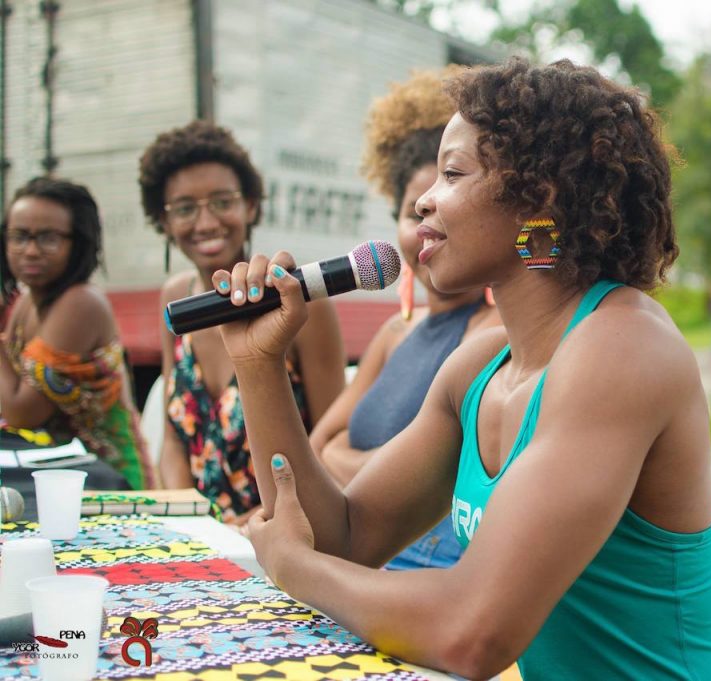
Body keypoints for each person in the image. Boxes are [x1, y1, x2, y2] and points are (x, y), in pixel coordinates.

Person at [220, 58, 711, 679]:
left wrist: (297, 569)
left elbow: (473, 636)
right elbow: (339, 536)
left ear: (538, 197)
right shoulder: (478, 367)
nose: (422, 200)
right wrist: (259, 363)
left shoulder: (624, 349)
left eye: (452, 173)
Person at [308, 68, 500, 570]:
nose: (426, 222)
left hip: (423, 568)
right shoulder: (395, 335)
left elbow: (431, 477)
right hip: (361, 556)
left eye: (452, 181)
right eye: (413, 213)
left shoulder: (490, 337)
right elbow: (316, 446)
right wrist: (356, 466)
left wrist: (344, 463)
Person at [138, 121, 346, 523]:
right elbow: (174, 440)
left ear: (250, 205)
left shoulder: (298, 300)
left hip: (286, 532)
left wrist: (256, 520)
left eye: (222, 201)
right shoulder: (175, 300)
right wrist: (188, 517)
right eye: (184, 208)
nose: (206, 222)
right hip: (201, 539)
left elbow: (332, 444)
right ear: (163, 222)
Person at [0, 177, 154, 490]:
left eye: (48, 238)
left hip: (114, 486)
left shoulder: (80, 303)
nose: (30, 250)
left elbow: (20, 413)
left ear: (78, 242)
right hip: (62, 478)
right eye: (19, 237)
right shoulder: (27, 300)